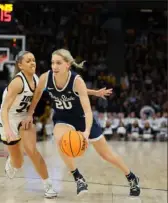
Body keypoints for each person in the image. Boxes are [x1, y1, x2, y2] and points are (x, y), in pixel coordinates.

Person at [22, 49, 141, 197]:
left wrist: (85, 132)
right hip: (63, 117)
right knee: (60, 140)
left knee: (106, 154)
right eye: (52, 62)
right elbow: (37, 95)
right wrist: (29, 113)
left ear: (68, 65)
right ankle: (78, 178)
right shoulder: (46, 78)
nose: (54, 66)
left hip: (83, 118)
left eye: (58, 63)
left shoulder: (76, 80)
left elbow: (88, 110)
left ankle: (131, 177)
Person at [0, 51, 57, 198]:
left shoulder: (36, 80)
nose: (33, 63)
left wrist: (30, 114)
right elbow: (4, 109)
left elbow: (36, 99)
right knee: (18, 164)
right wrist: (7, 129)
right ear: (20, 65)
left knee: (32, 150)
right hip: (9, 118)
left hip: (24, 116)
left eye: (34, 60)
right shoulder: (17, 82)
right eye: (28, 61)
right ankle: (11, 161)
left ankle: (48, 185)